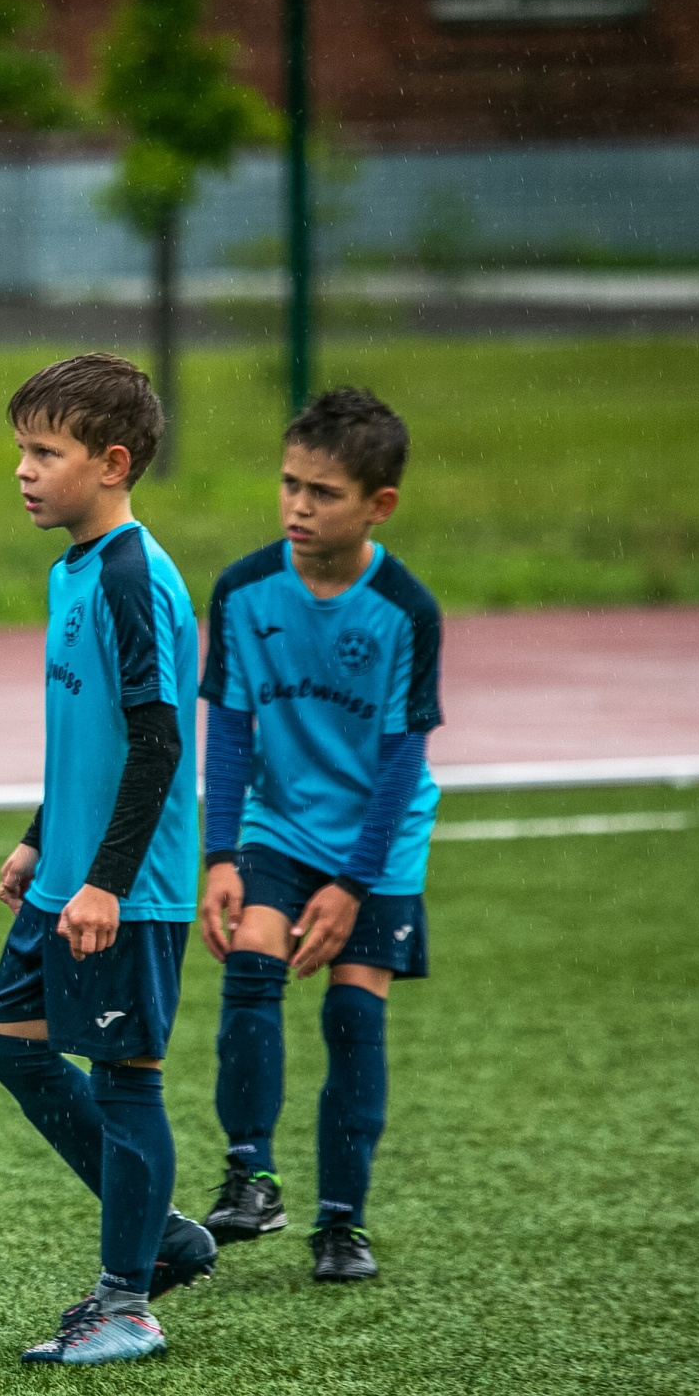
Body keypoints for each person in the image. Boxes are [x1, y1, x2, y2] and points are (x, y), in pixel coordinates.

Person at [0, 353, 213, 1367]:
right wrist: (41, 834)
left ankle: (128, 1302)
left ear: (111, 463)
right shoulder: (69, 567)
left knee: (124, 1080)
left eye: (44, 452)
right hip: (69, 872)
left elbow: (157, 739)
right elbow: (91, 734)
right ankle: (156, 1232)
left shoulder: (130, 575)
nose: (22, 470)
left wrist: (110, 878)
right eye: (20, 449)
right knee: (10, 1046)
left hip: (126, 886)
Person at [199, 389, 440, 1284]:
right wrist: (220, 854)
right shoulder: (244, 589)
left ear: (379, 504)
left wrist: (353, 881)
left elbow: (401, 759)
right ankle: (250, 1172)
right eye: (290, 484)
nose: (298, 506)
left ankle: (343, 1221)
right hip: (279, 823)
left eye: (323, 492)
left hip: (379, 837)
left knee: (351, 1010)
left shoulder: (404, 610)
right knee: (251, 960)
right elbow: (227, 732)